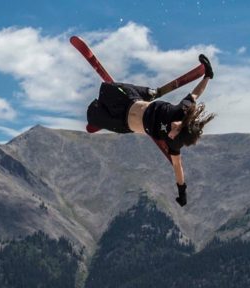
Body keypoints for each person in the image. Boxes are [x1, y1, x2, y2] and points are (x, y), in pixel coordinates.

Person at [86, 55, 215, 207]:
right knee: (106, 88)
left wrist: (182, 192)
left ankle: (101, 120)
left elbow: (177, 166)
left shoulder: (175, 143)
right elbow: (195, 94)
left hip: (122, 123)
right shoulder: (182, 109)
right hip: (130, 100)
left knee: (91, 115)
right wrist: (207, 76)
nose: (170, 135)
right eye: (175, 131)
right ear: (182, 124)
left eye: (173, 137)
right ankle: (150, 92)